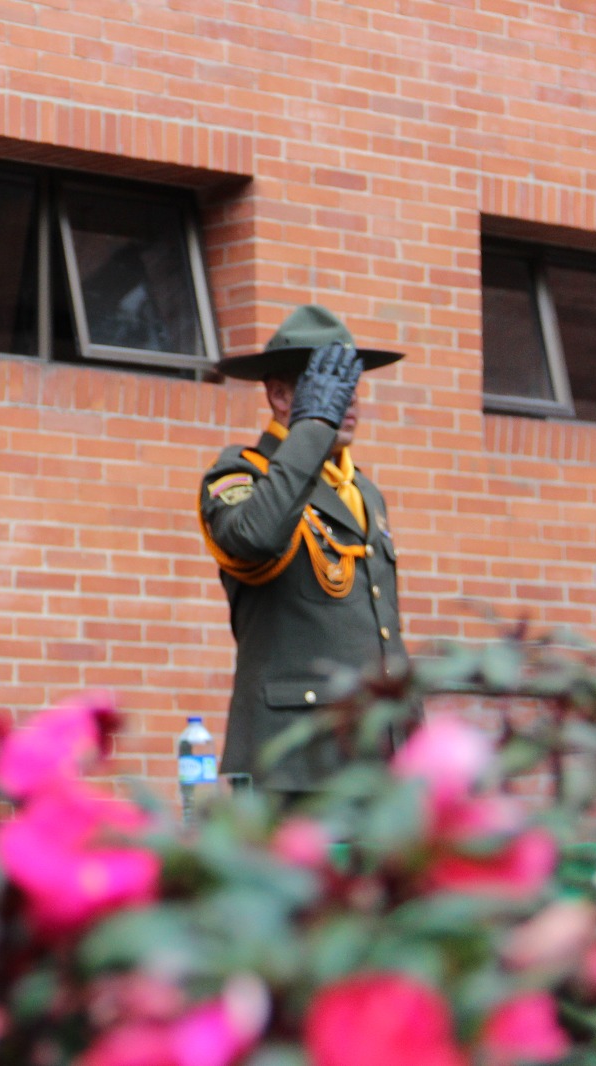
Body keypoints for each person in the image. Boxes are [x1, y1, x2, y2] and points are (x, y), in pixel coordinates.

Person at [198, 304, 409, 798]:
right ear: (279, 394)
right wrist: (311, 427)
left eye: (351, 386)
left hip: (377, 761)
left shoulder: (363, 492)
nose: (347, 401)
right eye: (328, 387)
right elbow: (254, 536)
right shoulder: (239, 475)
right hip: (293, 764)